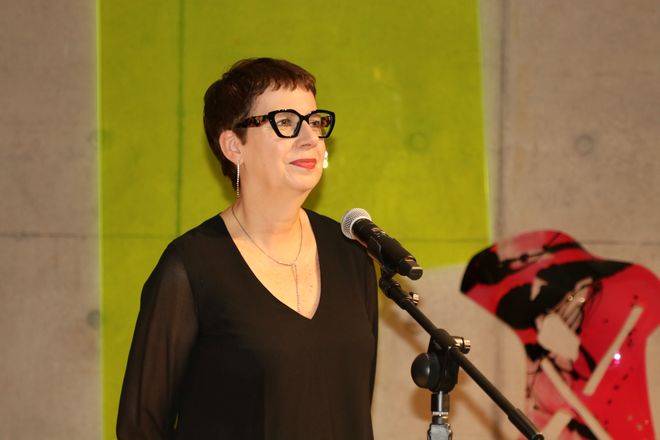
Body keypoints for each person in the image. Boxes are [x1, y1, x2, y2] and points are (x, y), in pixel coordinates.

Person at [116, 58, 379, 439]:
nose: (310, 138)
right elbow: (141, 427)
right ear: (233, 146)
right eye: (286, 122)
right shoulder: (191, 267)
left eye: (315, 122)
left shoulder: (350, 254)